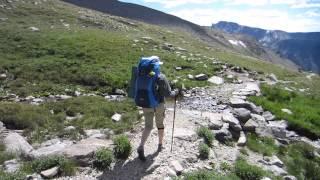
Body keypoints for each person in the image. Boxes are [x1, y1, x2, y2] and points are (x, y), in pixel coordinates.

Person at [135, 56, 178, 161]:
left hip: (145, 104)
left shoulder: (140, 75)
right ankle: (160, 144)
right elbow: (168, 94)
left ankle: (141, 146)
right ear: (156, 66)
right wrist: (176, 92)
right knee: (160, 125)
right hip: (158, 104)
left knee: (148, 126)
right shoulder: (160, 77)